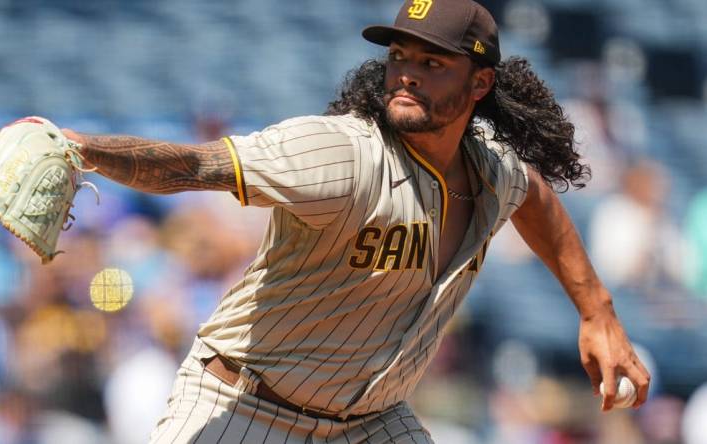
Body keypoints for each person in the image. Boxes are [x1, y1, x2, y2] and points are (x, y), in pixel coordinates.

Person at [62, 0, 650, 442]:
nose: (407, 73)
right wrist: (84, 149)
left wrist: (597, 310)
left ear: (480, 83)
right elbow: (198, 163)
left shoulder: (494, 169)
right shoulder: (341, 153)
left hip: (368, 423)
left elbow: (536, 198)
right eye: (398, 56)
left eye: (431, 61)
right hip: (245, 406)